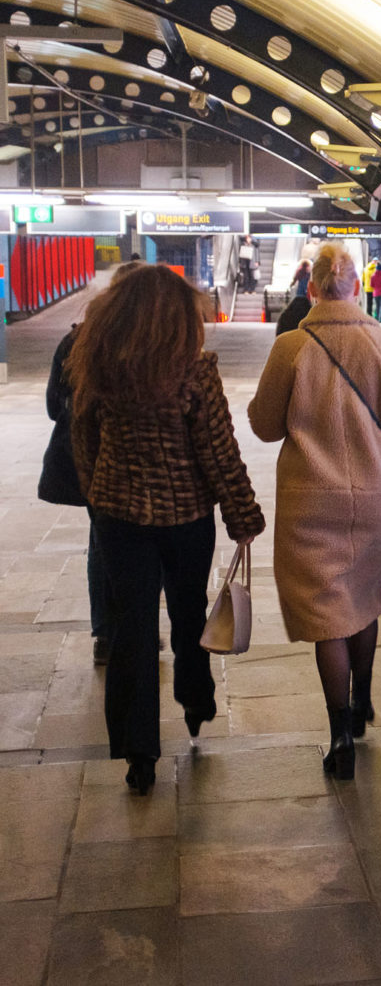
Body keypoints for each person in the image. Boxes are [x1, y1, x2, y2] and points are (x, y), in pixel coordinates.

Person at [68, 266, 265, 794]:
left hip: (118, 520)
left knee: (130, 626)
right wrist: (243, 516)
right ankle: (196, 701)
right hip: (185, 520)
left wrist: (99, 491)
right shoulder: (194, 373)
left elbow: (81, 438)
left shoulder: (99, 365)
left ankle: (139, 752)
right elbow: (219, 452)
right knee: (187, 612)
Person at [248, 244, 381, 780]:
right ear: (356, 287)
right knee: (363, 600)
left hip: (309, 499)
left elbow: (264, 425)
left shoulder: (291, 346)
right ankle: (364, 699)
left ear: (313, 289)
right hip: (374, 497)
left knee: (328, 614)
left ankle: (340, 735)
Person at [40, 260, 153, 666]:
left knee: (101, 543)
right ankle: (143, 628)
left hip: (91, 464)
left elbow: (55, 407)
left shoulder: (76, 341)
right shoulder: (154, 342)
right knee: (145, 543)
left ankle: (105, 633)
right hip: (143, 464)